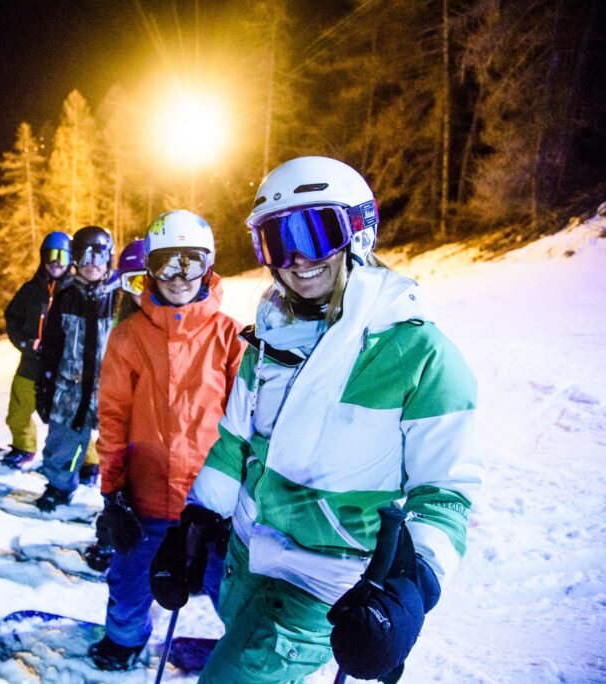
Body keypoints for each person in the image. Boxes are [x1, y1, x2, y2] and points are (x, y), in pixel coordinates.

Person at [151, 157, 482, 682]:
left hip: (329, 581)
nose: (297, 259)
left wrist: (410, 589)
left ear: (359, 231)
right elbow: (234, 442)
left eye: (314, 232)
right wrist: (196, 521)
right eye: (276, 242)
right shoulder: (267, 341)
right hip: (246, 557)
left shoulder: (420, 355)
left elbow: (444, 494)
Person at [87, 211, 245, 671]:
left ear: (209, 265)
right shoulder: (130, 336)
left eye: (190, 263)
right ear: (149, 270)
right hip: (148, 498)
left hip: (213, 503)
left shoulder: (229, 336)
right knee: (131, 579)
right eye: (165, 264)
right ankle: (124, 638)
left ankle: (247, 652)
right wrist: (112, 494)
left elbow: (250, 423)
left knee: (231, 586)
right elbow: (113, 417)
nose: (178, 277)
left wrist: (245, 493)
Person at [34, 225, 119, 511]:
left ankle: (119, 498)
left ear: (110, 258)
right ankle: (59, 486)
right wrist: (44, 388)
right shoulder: (66, 295)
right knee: (64, 442)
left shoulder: (120, 296)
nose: (91, 264)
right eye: (84, 256)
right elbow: (51, 347)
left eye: (99, 256)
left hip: (111, 389)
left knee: (120, 447)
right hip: (70, 388)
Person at [0, 231, 72, 468]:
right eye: (51, 255)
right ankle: (23, 447)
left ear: (70, 259)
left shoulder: (74, 292)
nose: (56, 262)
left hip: (60, 370)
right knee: (17, 414)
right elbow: (12, 318)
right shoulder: (31, 290)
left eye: (62, 256)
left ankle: (86, 462)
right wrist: (24, 343)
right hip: (30, 366)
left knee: (67, 421)